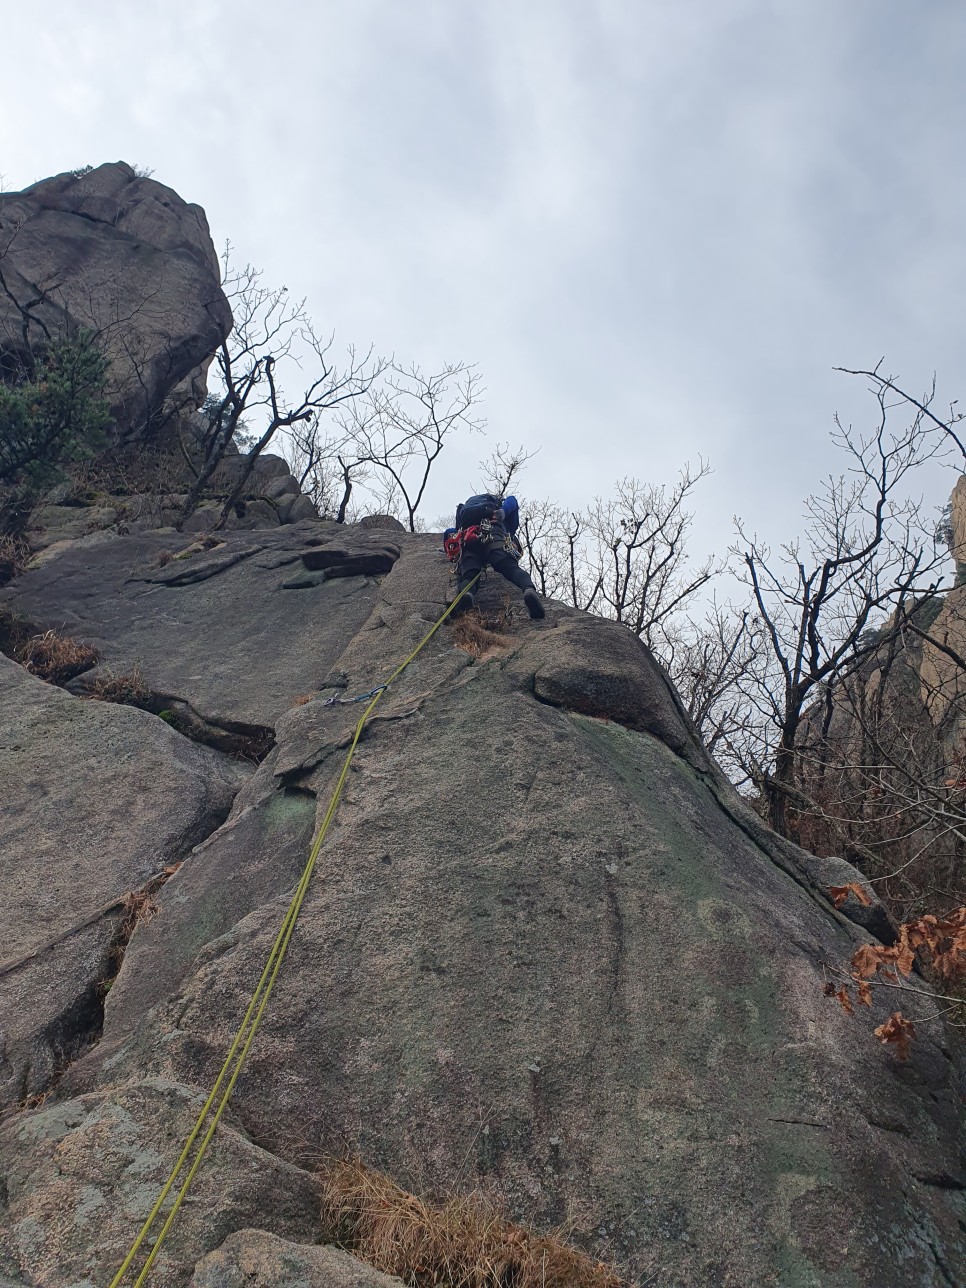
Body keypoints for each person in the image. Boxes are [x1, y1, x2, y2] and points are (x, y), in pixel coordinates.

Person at [444, 492, 545, 619]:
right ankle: (528, 590)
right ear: (514, 542)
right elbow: (512, 500)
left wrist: (451, 552)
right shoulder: (508, 526)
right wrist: (503, 512)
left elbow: (449, 532)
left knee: (469, 575)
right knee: (510, 568)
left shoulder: (466, 515)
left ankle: (467, 595)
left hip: (467, 539)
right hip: (493, 533)